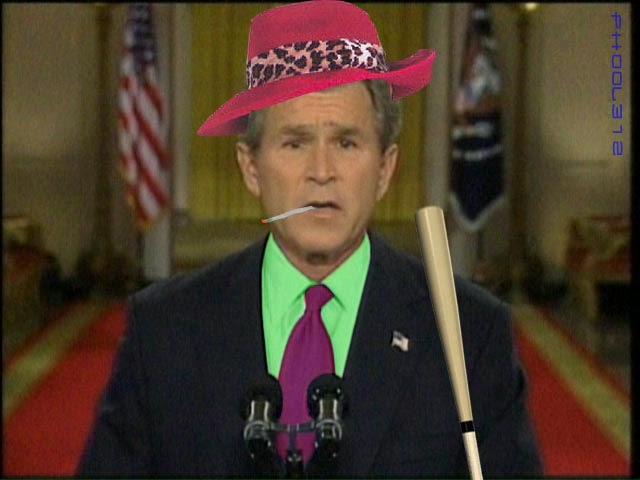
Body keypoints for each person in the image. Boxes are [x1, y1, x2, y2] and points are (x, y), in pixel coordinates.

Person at [78, 1, 543, 477]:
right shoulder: (162, 330)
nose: (322, 172)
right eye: (295, 143)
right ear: (251, 167)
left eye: (346, 143)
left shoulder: (470, 333)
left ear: (385, 169)